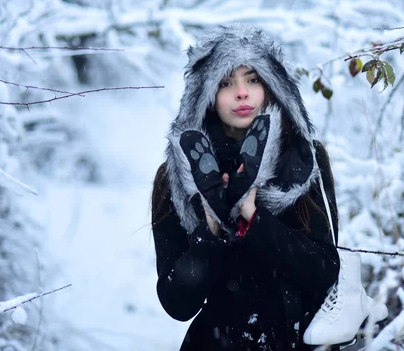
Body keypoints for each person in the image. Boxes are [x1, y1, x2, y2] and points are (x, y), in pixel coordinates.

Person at [151, 24, 384, 350]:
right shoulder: (175, 176)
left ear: (272, 87)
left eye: (253, 79)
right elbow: (177, 303)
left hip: (295, 340)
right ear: (206, 96)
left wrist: (254, 220)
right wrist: (211, 234)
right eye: (225, 83)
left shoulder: (305, 160)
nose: (241, 92)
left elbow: (323, 271)